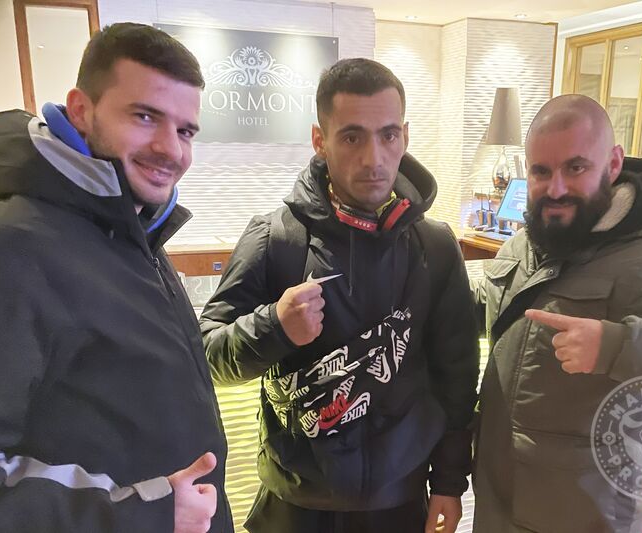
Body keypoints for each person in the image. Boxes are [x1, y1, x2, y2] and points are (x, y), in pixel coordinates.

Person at [0, 23, 233, 533]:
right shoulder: (2, 248)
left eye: (186, 130)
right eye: (145, 117)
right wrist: (143, 515)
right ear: (81, 110)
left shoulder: (133, 231)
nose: (171, 149)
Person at [199, 58, 479, 533]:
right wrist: (273, 327)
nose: (373, 158)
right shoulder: (274, 238)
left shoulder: (434, 246)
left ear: (405, 136)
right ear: (319, 140)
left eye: (388, 135)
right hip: (294, 504)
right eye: (351, 137)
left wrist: (450, 484)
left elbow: (456, 378)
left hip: (400, 502)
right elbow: (206, 353)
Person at [471, 94, 642, 532]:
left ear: (613, 163)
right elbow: (494, 303)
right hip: (499, 501)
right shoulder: (531, 239)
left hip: (581, 515)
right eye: (542, 171)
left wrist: (620, 348)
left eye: (576, 168)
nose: (556, 187)